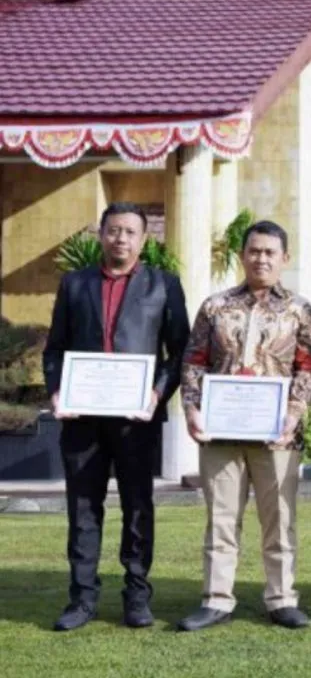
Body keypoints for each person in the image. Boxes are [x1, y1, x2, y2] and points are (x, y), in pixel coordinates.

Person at [42, 203, 190, 631]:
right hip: (82, 419)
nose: (120, 238)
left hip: (136, 421)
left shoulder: (164, 285)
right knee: (83, 509)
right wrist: (57, 390)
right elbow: (55, 349)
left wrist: (157, 393)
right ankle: (82, 598)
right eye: (113, 230)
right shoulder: (75, 283)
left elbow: (179, 352)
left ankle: (137, 596)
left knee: (138, 508)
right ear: (101, 235)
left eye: (129, 232)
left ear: (143, 239)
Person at [176, 221, 311, 632]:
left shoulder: (300, 310)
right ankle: (216, 599)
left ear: (284, 258)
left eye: (270, 252)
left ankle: (282, 598)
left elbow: (310, 366)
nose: (261, 259)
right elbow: (194, 360)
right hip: (221, 434)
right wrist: (192, 408)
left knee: (279, 520)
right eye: (254, 251)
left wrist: (294, 412)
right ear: (243, 255)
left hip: (278, 436)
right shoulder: (215, 307)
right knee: (221, 519)